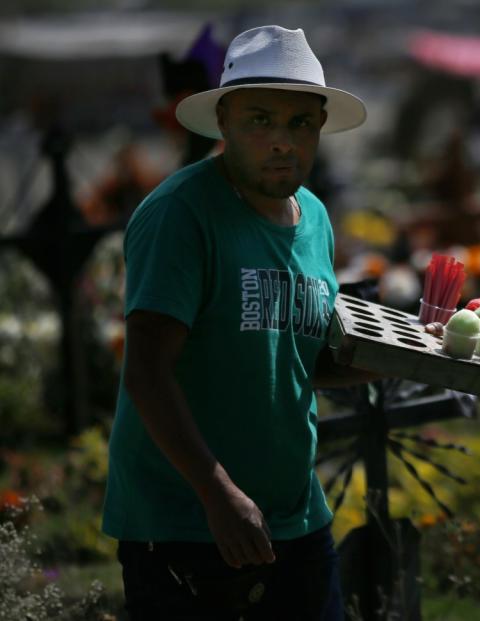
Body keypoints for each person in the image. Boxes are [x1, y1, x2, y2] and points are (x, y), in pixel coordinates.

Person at [101, 25, 377, 620]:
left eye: (300, 123)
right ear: (223, 122)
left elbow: (299, 357)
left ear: (320, 127)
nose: (282, 141)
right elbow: (146, 372)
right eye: (260, 119)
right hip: (189, 524)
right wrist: (217, 493)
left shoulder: (316, 219)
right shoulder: (182, 214)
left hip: (295, 516)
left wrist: (430, 356)